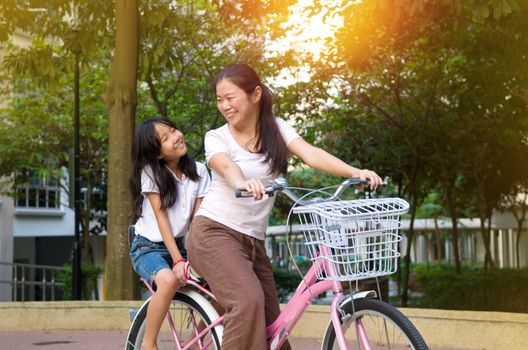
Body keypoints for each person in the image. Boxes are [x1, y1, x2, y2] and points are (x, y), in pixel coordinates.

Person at [187, 63, 382, 350]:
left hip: (252, 242)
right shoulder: (217, 136)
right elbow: (225, 166)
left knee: (272, 328)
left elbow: (311, 154)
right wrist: (242, 183)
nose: (224, 106)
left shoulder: (276, 129)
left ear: (255, 94)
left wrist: (355, 172)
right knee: (247, 301)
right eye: (219, 99)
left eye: (230, 97)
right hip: (213, 233)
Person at [129, 117, 210, 350]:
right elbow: (161, 219)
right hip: (148, 247)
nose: (175, 137)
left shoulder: (200, 171)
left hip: (181, 244)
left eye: (173, 130)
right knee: (168, 280)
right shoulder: (151, 173)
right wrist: (177, 261)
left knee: (220, 283)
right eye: (166, 138)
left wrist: (192, 256)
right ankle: (148, 343)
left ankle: (197, 343)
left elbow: (197, 220)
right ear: (156, 154)